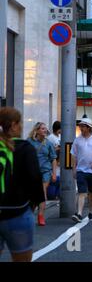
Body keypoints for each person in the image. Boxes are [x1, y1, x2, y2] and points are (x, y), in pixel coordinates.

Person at [0, 107, 45, 262]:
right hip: (17, 212)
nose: (21, 127)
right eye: (19, 123)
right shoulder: (25, 149)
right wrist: (33, 205)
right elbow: (35, 180)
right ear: (13, 125)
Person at [27, 122, 57, 226]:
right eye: (43, 129)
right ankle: (30, 214)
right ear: (37, 130)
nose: (45, 130)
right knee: (34, 195)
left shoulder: (48, 143)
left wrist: (54, 173)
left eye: (45, 129)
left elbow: (53, 159)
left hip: (45, 172)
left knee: (42, 192)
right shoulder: (29, 142)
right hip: (32, 172)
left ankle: (40, 216)